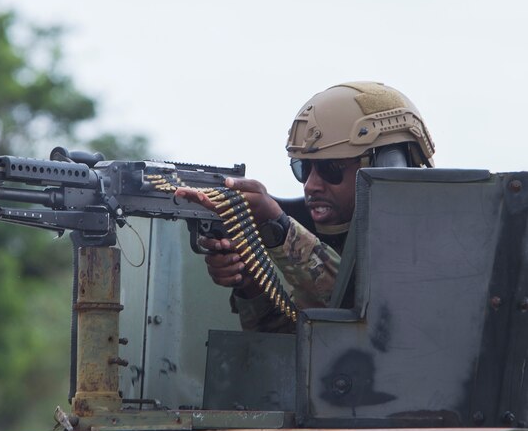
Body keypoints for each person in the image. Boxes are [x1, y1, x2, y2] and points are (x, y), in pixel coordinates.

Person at [176, 81, 435, 332]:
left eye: (329, 169)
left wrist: (278, 228)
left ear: (387, 167)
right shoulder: (333, 236)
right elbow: (298, 344)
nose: (311, 185)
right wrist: (251, 283)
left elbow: (371, 318)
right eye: (303, 168)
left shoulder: (436, 245)